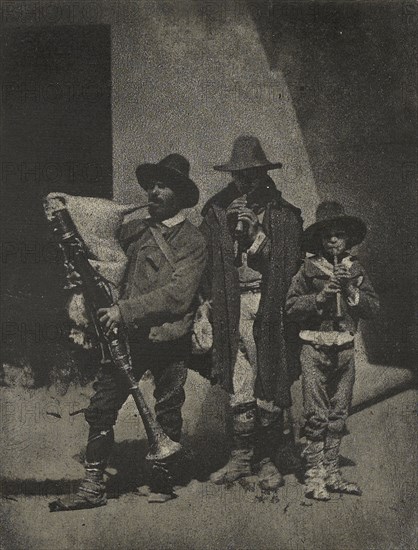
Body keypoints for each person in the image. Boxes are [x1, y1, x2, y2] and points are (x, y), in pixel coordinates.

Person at [50, 154, 207, 510]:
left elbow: (179, 296)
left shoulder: (193, 241)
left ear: (180, 194)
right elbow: (108, 266)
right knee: (103, 404)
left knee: (167, 408)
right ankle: (92, 487)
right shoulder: (133, 229)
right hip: (127, 337)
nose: (154, 191)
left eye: (163, 185)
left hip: (169, 337)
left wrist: (125, 310)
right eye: (152, 184)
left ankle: (163, 480)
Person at [200, 136, 303, 491]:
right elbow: (204, 261)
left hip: (268, 305)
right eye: (239, 175)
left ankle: (267, 456)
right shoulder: (216, 211)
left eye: (252, 174)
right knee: (240, 375)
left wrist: (258, 236)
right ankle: (242, 455)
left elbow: (291, 267)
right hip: (231, 306)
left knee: (269, 376)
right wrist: (224, 233)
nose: (245, 182)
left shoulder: (284, 214)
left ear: (264, 174)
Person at [285, 201, 379, 500]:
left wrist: (351, 292)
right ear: (320, 241)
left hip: (345, 350)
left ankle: (332, 471)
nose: (334, 241)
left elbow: (373, 307)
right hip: (314, 349)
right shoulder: (307, 269)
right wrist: (320, 297)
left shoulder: (355, 269)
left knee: (339, 413)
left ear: (348, 239)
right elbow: (290, 306)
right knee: (316, 415)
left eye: (339, 235)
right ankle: (314, 475)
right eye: (328, 236)